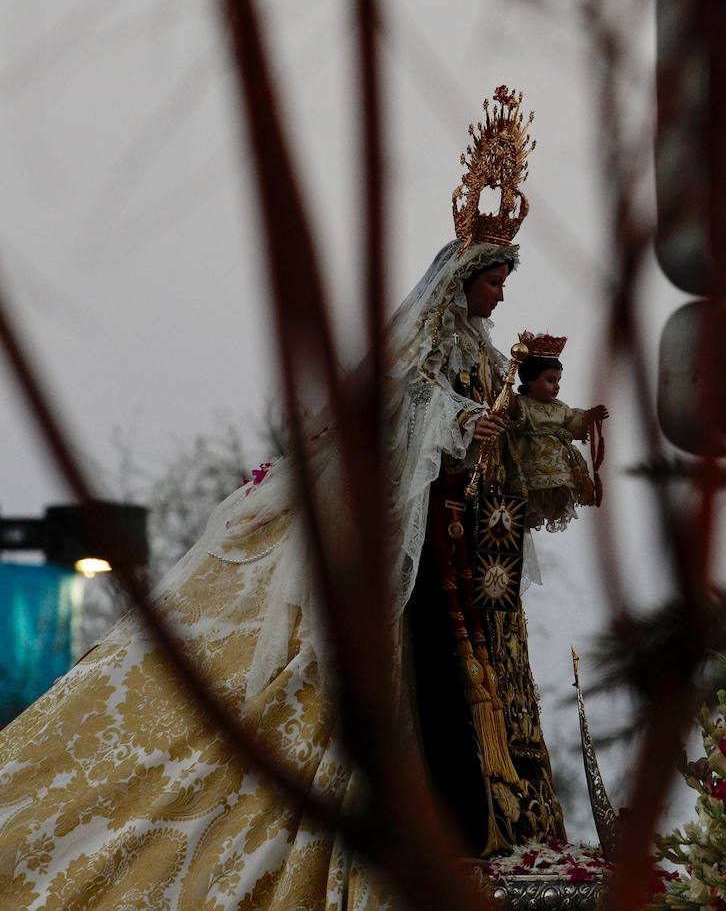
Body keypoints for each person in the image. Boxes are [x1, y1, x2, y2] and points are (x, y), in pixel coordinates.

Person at [0, 87, 571, 906]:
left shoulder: (486, 352)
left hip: (472, 540)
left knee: (471, 676)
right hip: (419, 538)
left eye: (508, 283)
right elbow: (395, 410)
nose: (504, 296)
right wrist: (458, 419)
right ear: (466, 282)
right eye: (496, 282)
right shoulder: (428, 352)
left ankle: (475, 818)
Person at [506, 332, 608, 531]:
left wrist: (590, 417)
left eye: (558, 380)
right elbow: (508, 414)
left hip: (561, 465)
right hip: (531, 463)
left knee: (559, 495)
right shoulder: (521, 404)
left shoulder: (559, 407)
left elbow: (572, 419)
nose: (557, 386)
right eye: (550, 380)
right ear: (530, 380)